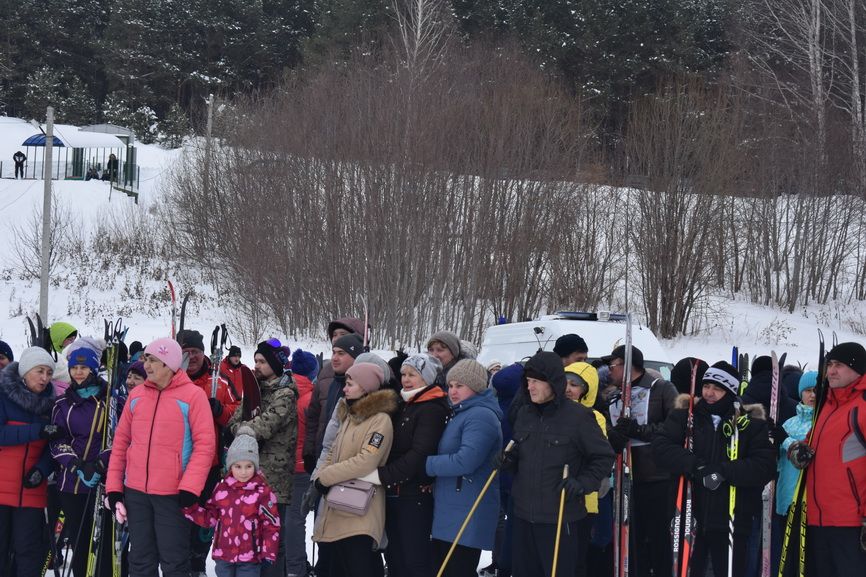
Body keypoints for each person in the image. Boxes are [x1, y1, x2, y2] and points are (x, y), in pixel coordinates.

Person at [105, 337, 216, 577]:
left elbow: (205, 446)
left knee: (174, 562)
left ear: (169, 364)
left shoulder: (192, 397)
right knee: (140, 560)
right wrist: (114, 486)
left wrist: (190, 487)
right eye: (146, 359)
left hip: (173, 495)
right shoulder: (137, 397)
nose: (146, 365)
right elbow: (121, 444)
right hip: (136, 493)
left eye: (153, 360)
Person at [652, 361, 775, 577]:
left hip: (732, 518)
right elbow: (661, 449)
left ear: (730, 391)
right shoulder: (684, 417)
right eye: (706, 386)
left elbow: (764, 466)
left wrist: (723, 471)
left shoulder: (750, 424)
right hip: (689, 514)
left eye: (717, 389)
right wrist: (696, 466)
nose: (709, 393)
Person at [503, 351, 615, 577]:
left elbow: (603, 456)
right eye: (528, 382)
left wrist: (583, 483)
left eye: (536, 382)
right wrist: (509, 459)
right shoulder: (525, 414)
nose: (530, 387)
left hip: (560, 518)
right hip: (524, 516)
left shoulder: (579, 417)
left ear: (552, 383)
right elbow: (522, 454)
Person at [311, 362, 398, 577]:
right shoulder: (350, 417)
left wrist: (327, 477)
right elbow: (333, 451)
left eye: (350, 384)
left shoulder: (381, 420)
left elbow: (367, 460)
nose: (344, 389)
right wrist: (320, 475)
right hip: (337, 506)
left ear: (366, 388)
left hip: (361, 512)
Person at [787, 342, 866, 576]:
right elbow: (809, 445)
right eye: (829, 364)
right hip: (817, 520)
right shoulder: (827, 405)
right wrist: (797, 452)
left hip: (851, 525)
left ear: (858, 369)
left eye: (839, 365)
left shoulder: (862, 407)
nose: (831, 371)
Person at [605, 344, 678, 577]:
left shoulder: (662, 389)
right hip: (625, 478)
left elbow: (676, 428)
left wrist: (639, 430)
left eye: (613, 366)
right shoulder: (613, 397)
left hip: (657, 476)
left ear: (628, 366)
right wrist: (616, 435)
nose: (609, 371)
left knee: (658, 537)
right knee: (632, 538)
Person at [227, 340, 298, 577]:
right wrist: (242, 428)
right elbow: (234, 423)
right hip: (249, 476)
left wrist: (244, 429)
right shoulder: (254, 390)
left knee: (273, 541)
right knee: (249, 538)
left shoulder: (285, 394)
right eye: (255, 360)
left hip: (274, 480)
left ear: (275, 364)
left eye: (262, 361)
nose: (256, 365)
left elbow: (266, 424)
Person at [426, 359, 502, 577]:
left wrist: (426, 465)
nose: (453, 391)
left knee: (457, 569)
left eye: (460, 386)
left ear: (476, 386)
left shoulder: (481, 415)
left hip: (467, 507)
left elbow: (466, 461)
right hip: (452, 506)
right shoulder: (461, 412)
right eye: (450, 386)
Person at [376, 353, 449, 577]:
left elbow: (419, 455)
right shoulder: (404, 403)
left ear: (426, 378)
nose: (406, 379)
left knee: (414, 559)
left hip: (413, 495)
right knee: (394, 556)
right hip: (394, 493)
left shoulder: (432, 408)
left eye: (412, 375)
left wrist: (382, 475)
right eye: (404, 374)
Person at [177, 329, 242, 575]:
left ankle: (197, 563)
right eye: (186, 352)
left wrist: (220, 411)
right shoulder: (172, 379)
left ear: (204, 353)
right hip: (179, 462)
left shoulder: (220, 381)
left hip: (209, 463)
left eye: (195, 351)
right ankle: (179, 563)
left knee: (204, 517)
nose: (191, 357)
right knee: (179, 517)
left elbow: (239, 411)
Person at [49, 347, 112, 577]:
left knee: (103, 546)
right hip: (71, 483)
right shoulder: (61, 403)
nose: (78, 372)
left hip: (101, 484)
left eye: (83, 367)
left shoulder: (110, 401)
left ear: (94, 369)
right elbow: (56, 440)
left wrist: (100, 464)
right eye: (74, 367)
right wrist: (75, 464)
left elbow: (119, 439)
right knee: (79, 544)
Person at [184, 430, 281, 577]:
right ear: (230, 466)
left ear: (255, 466)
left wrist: (268, 552)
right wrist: (190, 509)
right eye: (238, 466)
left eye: (248, 466)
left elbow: (271, 524)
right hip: (224, 555)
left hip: (250, 557)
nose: (243, 472)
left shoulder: (263, 493)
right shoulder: (222, 490)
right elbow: (210, 517)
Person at [0, 347, 61, 577]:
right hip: (1, 488)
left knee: (29, 552)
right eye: (39, 371)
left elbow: (52, 448)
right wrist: (37, 431)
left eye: (48, 372)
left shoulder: (52, 405)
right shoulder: (3, 396)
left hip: (31, 490)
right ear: (25, 372)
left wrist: (41, 470)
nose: (45, 378)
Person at [563, 362, 609, 577]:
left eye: (575, 385)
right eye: (565, 382)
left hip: (582, 501)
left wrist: (581, 483)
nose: (568, 388)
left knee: (576, 560)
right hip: (550, 500)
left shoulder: (593, 417)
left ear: (586, 390)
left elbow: (598, 459)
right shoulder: (549, 412)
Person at [304, 317, 365, 475]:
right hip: (323, 452)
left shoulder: (371, 374)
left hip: (351, 462)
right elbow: (314, 415)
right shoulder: (326, 373)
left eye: (343, 334)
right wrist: (309, 450)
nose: (337, 338)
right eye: (334, 334)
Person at [773, 370, 816, 577]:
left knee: (806, 558)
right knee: (787, 557)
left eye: (817, 390)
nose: (813, 395)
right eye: (808, 390)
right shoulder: (789, 423)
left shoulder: (819, 424)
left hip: (809, 500)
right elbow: (778, 462)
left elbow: (807, 456)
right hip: (786, 498)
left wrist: (785, 440)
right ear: (800, 393)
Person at [286, 348, 318, 577]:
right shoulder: (310, 399)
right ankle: (296, 567)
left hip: (283, 464)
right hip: (302, 466)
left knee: (288, 518)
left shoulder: (283, 390)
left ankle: (293, 564)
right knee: (296, 520)